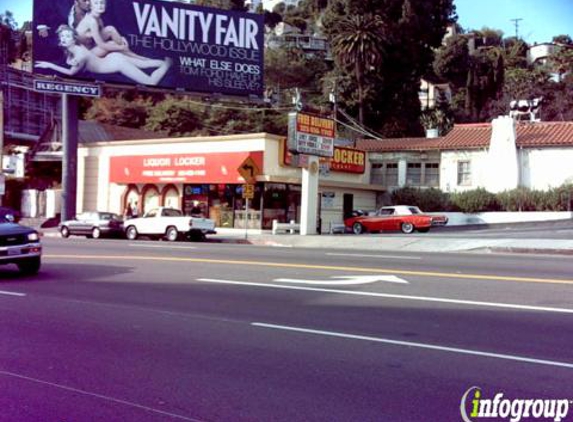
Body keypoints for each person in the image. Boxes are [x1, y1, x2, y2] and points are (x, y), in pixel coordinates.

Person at [35, 25, 171, 86]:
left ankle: (168, 64)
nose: (64, 39)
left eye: (67, 36)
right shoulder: (73, 48)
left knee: (151, 82)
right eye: (62, 36)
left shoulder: (79, 54)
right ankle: (165, 61)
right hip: (111, 58)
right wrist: (45, 31)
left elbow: (71, 72)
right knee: (146, 64)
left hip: (117, 63)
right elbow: (58, 36)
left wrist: (50, 65)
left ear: (74, 39)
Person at [75, 0, 147, 60]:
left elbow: (99, 38)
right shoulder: (92, 21)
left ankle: (130, 53)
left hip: (92, 45)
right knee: (111, 44)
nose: (100, 5)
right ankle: (135, 57)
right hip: (84, 54)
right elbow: (101, 44)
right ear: (90, 5)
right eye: (96, 3)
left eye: (102, 3)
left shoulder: (98, 18)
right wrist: (120, 47)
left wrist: (120, 40)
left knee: (110, 29)